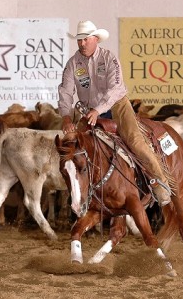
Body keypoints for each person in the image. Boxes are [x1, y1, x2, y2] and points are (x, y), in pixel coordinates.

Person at [58, 20, 171, 206]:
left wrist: (97, 110)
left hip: (117, 106)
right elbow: (65, 91)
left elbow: (115, 89)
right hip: (89, 111)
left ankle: (160, 183)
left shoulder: (109, 59)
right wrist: (66, 118)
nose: (82, 43)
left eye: (85, 39)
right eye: (79, 40)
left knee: (135, 140)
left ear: (95, 39)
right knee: (74, 145)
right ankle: (82, 192)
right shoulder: (72, 64)